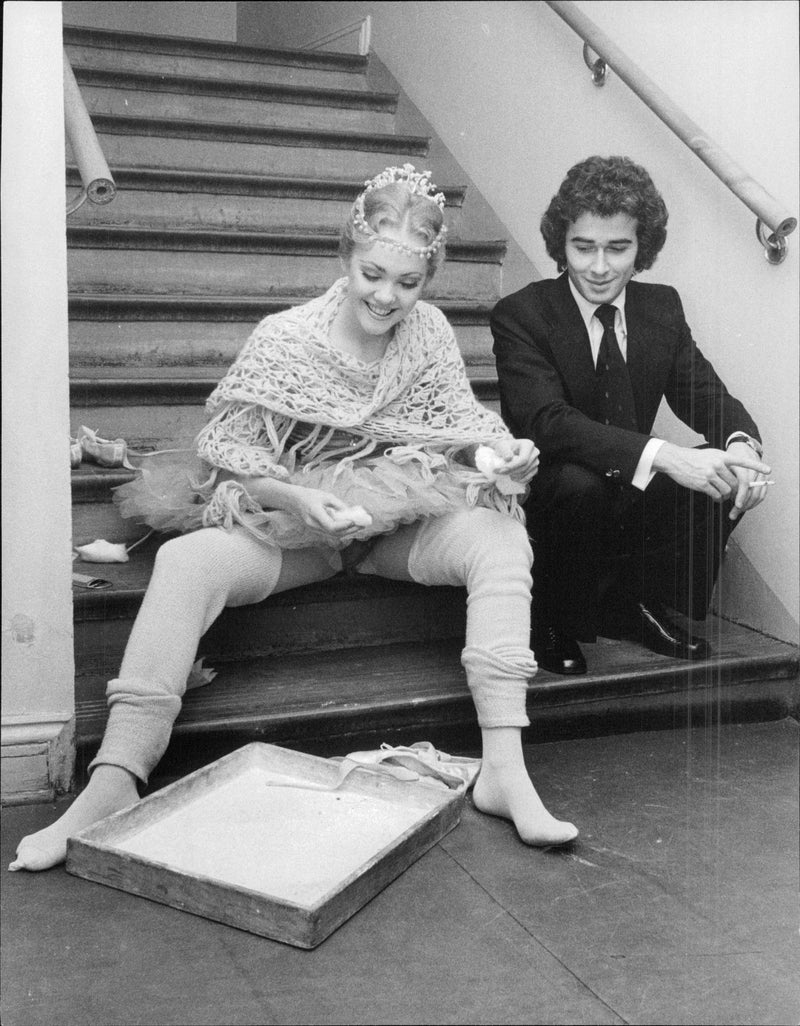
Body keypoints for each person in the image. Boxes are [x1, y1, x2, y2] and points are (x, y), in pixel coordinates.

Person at [12, 164, 578, 872]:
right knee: (187, 562)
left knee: (500, 533)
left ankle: (503, 767)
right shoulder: (287, 339)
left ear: (428, 280)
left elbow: (453, 426)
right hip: (299, 531)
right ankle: (116, 778)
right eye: (374, 273)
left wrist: (499, 457)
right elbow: (230, 457)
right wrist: (298, 498)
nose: (387, 295)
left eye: (408, 283)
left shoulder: (427, 332)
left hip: (398, 524)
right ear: (347, 255)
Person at [491, 155, 771, 676]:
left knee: (721, 467)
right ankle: (549, 617)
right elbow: (548, 424)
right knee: (581, 484)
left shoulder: (660, 308)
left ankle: (634, 603)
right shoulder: (522, 313)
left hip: (626, 477)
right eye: (583, 247)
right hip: (552, 484)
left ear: (643, 248)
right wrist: (666, 455)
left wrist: (741, 448)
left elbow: (707, 395)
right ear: (561, 243)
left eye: (618, 248)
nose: (599, 266)